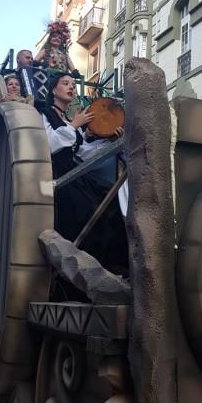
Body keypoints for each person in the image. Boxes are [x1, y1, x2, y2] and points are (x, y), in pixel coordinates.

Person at [42, 72, 128, 274]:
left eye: (73, 84)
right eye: (65, 83)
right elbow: (49, 144)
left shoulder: (70, 120)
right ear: (54, 89)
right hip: (56, 177)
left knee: (110, 202)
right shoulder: (44, 114)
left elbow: (81, 153)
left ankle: (113, 268)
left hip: (74, 175)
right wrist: (75, 126)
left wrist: (110, 141)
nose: (71, 87)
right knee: (86, 211)